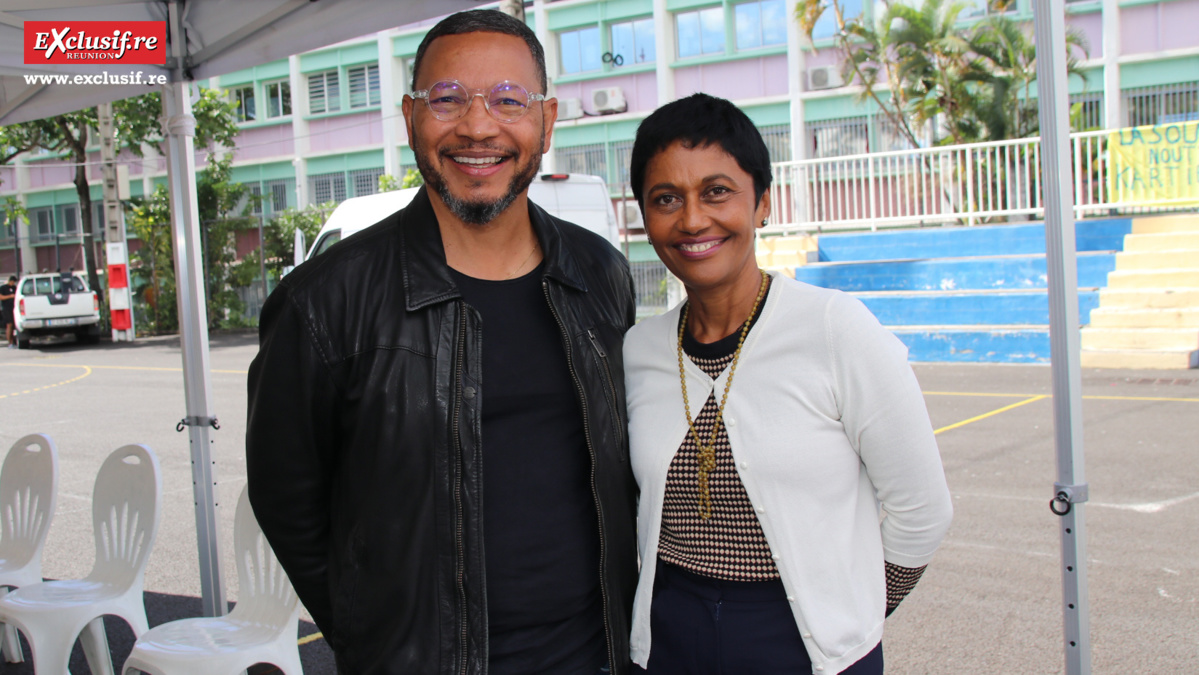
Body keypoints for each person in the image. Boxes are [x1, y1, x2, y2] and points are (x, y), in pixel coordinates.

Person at [246, 10, 638, 675]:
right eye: (447, 98)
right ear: (409, 117)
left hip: (593, 655)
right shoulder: (323, 301)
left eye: (508, 100)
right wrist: (372, 634)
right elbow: (286, 498)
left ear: (545, 121)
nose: (478, 126)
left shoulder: (598, 274)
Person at [622, 94, 954, 675]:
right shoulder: (639, 350)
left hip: (804, 647)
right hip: (671, 639)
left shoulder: (834, 328)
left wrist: (850, 614)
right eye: (666, 199)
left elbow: (922, 510)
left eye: (717, 191)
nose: (693, 219)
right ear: (646, 218)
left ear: (763, 203)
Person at [1, 275, 16, 348]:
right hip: (6, 309)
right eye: (11, 281)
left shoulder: (14, 288)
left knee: (13, 325)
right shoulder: (3, 288)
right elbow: (1, 297)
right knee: (9, 325)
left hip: (14, 308)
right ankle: (9, 341)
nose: (12, 283)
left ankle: (14, 341)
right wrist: (10, 296)